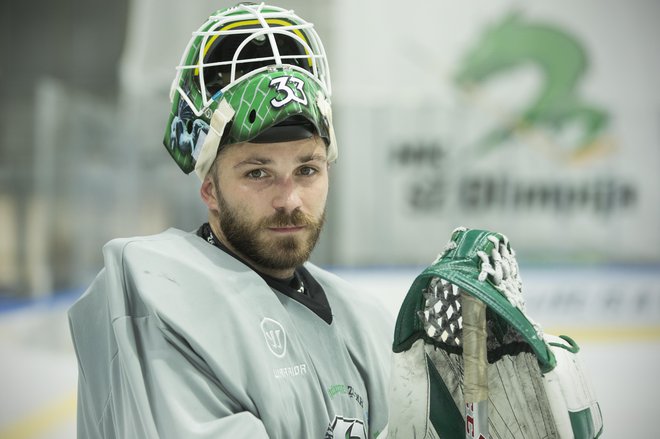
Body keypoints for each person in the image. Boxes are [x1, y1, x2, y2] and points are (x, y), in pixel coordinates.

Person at [68, 3, 393, 438]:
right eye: (257, 172)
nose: (289, 199)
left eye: (307, 169)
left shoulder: (365, 320)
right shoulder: (164, 298)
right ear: (208, 188)